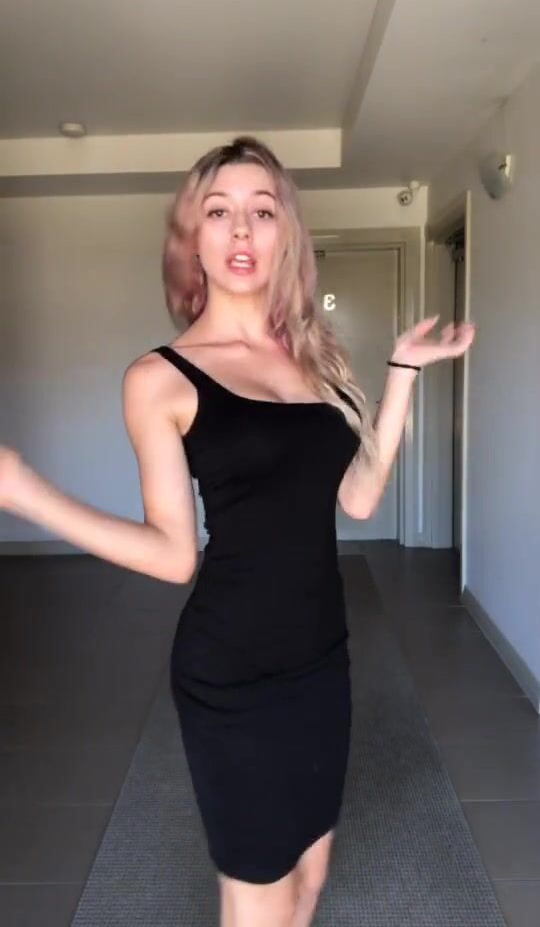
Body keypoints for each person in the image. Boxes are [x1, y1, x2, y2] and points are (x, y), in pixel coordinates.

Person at [0, 135, 475, 927]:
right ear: (193, 238)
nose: (243, 230)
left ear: (287, 234)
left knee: (310, 878)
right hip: (232, 669)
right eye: (219, 212)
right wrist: (24, 492)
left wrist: (401, 372)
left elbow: (358, 497)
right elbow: (172, 554)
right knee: (261, 897)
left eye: (263, 211)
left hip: (322, 655)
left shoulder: (314, 357)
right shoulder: (160, 378)